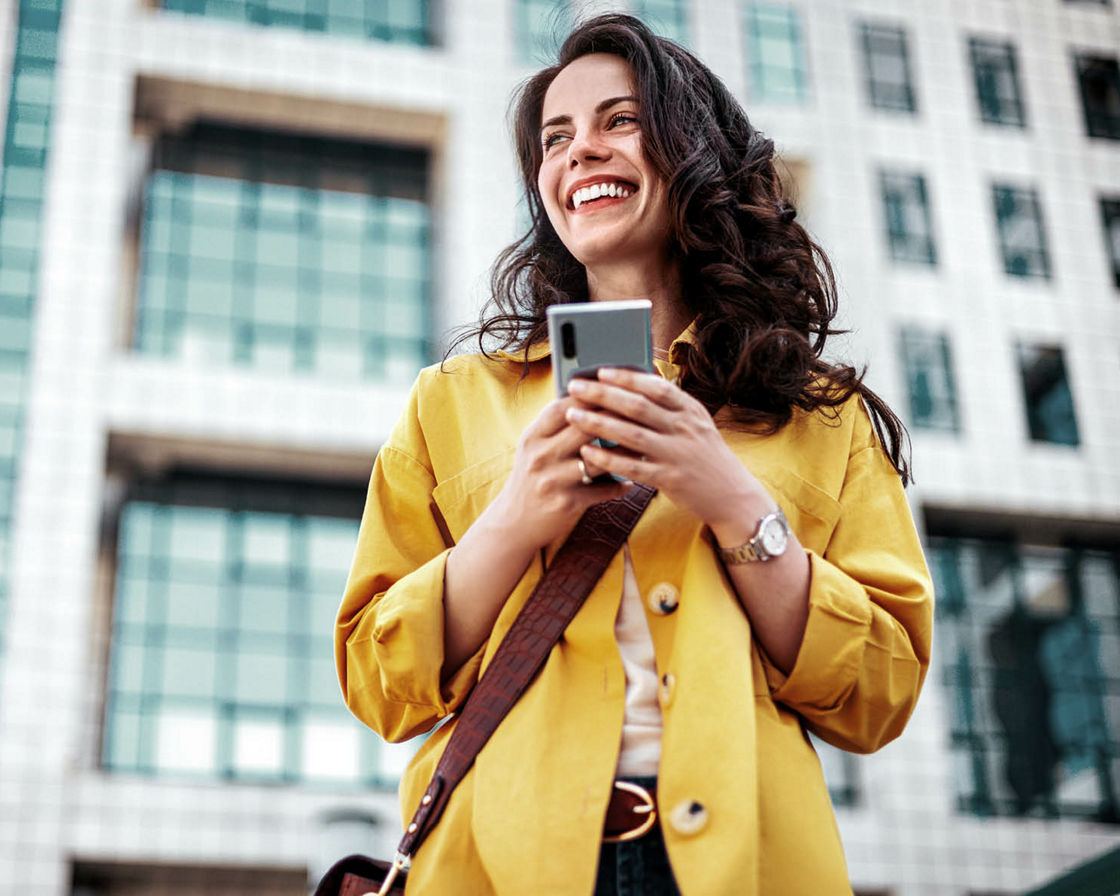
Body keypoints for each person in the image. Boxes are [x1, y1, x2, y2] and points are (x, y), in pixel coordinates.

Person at [335, 13, 933, 896]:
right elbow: (380, 685)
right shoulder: (452, 402)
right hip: (496, 865)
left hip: (749, 867)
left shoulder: (819, 413)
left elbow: (881, 692)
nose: (579, 151)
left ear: (693, 152)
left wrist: (734, 502)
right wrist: (516, 519)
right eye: (555, 137)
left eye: (620, 120)